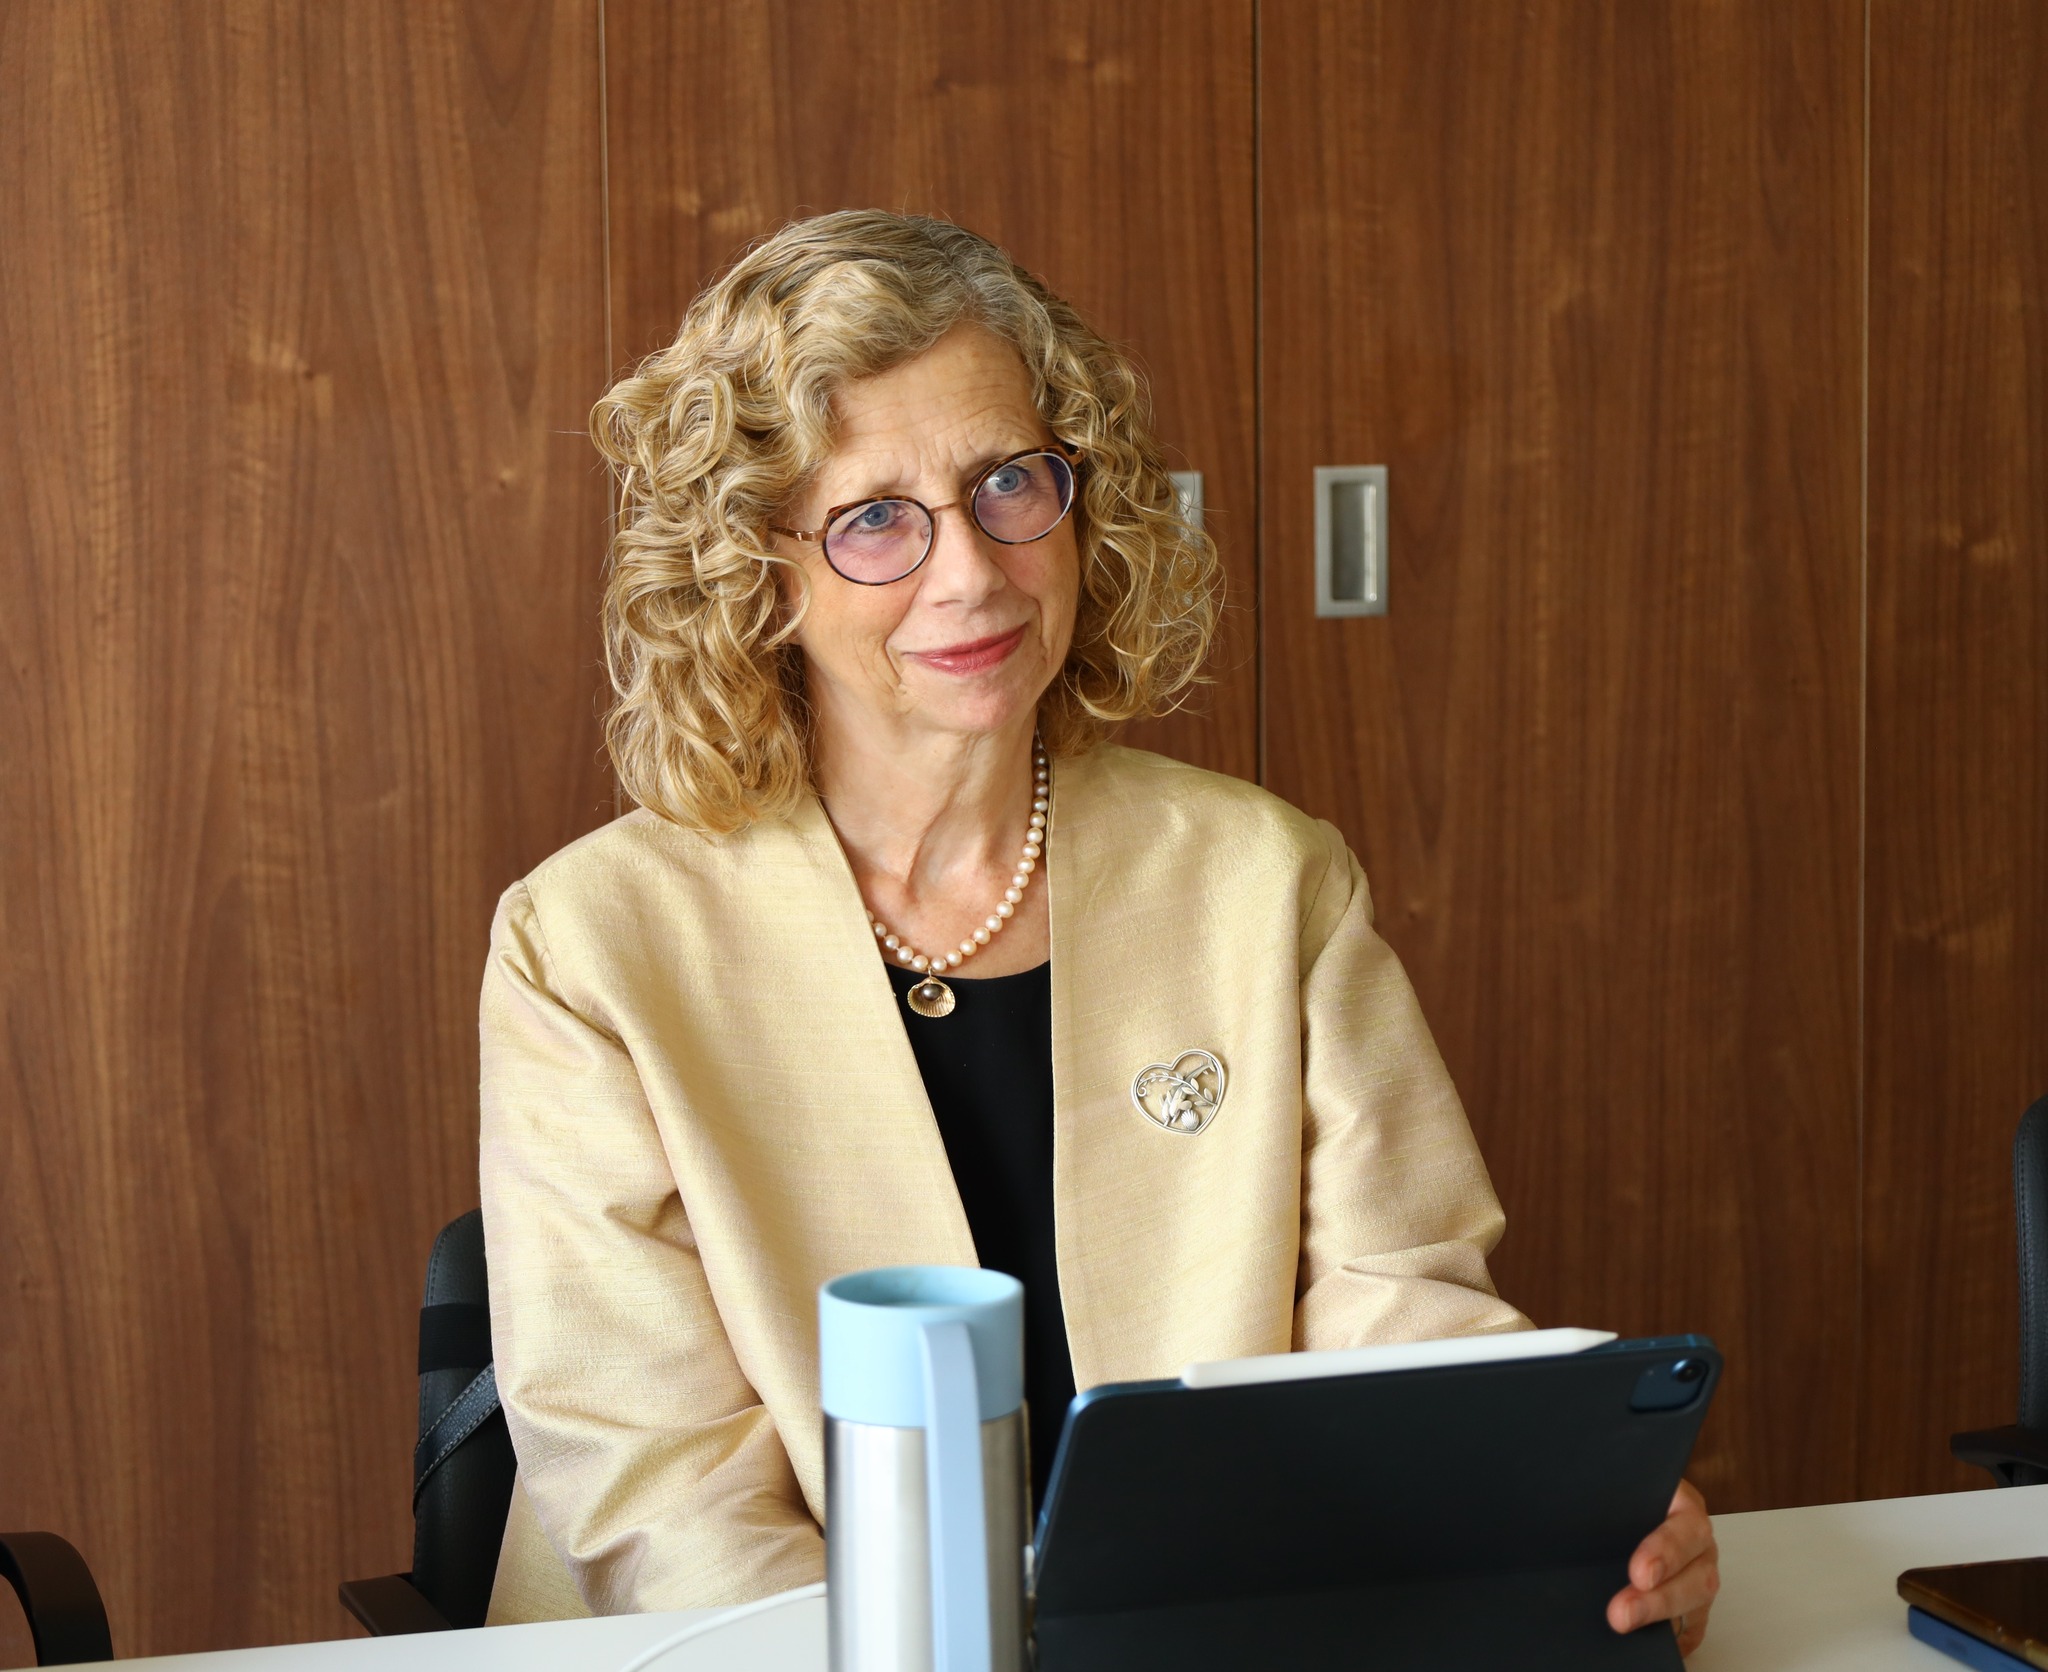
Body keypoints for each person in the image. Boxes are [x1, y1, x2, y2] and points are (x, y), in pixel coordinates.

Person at [477, 209, 1719, 1652]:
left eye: (1009, 481)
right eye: (875, 518)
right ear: (758, 570)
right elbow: (661, 1489)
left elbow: (1395, 1311)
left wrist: (1559, 1504)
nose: (971, 573)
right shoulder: (590, 946)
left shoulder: (1266, 878)